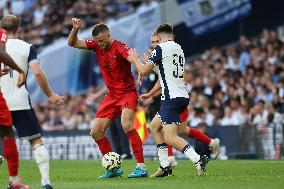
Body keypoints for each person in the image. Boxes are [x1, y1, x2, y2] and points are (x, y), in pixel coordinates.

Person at [68, 18, 147, 178]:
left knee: (126, 124)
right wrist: (75, 29)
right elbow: (73, 43)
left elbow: (132, 58)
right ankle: (113, 169)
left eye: (102, 40)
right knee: (96, 132)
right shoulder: (96, 46)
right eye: (98, 41)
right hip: (111, 95)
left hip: (127, 92)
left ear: (108, 35)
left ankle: (141, 167)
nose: (100, 44)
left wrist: (139, 68)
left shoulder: (120, 47)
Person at [128, 23, 212, 176]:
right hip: (181, 96)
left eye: (156, 41)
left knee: (171, 137)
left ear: (159, 37)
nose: (155, 44)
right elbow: (164, 75)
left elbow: (143, 71)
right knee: (154, 126)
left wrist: (134, 60)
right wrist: (151, 93)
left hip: (170, 99)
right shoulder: (178, 48)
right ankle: (165, 166)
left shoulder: (160, 49)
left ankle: (198, 159)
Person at [0, 15, 64, 189]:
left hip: (0, 101)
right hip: (19, 100)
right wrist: (50, 94)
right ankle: (45, 181)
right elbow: (37, 73)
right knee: (35, 141)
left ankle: (13, 180)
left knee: (5, 140)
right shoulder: (27, 48)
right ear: (19, 29)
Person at [0, 26, 29, 189]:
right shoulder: (1, 33)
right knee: (7, 133)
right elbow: (1, 53)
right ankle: (14, 182)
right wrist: (19, 70)